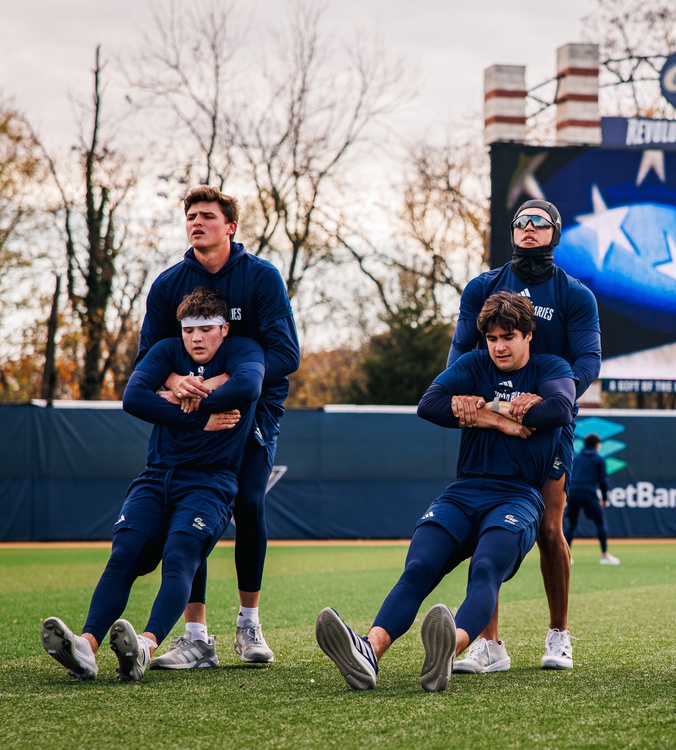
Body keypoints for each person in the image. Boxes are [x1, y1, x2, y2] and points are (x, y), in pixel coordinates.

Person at [314, 292, 576, 691]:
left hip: (517, 498)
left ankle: (448, 647)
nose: (499, 347)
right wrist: (500, 417)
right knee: (419, 567)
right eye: (491, 338)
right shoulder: (473, 363)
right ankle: (369, 650)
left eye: (508, 337)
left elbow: (560, 408)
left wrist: (485, 407)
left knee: (485, 569)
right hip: (463, 492)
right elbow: (429, 404)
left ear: (528, 336)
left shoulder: (550, 367)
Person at [41, 288, 264, 682]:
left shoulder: (244, 350)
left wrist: (181, 393)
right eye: (189, 329)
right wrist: (199, 414)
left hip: (210, 483)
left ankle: (143, 646)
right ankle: (86, 647)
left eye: (207, 329)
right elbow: (134, 399)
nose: (196, 338)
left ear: (224, 329)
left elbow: (247, 388)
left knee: (180, 556)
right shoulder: (164, 351)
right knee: (125, 554)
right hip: (156, 476)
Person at [136, 186, 299, 668]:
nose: (196, 222)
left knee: (248, 501)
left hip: (252, 412)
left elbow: (287, 355)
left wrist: (234, 378)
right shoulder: (169, 284)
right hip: (188, 413)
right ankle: (195, 636)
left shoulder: (261, 277)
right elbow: (147, 357)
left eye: (207, 215)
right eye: (191, 216)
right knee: (191, 507)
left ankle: (249, 624)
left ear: (230, 226)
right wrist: (176, 381)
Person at [447, 199, 601, 671]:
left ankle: (558, 635)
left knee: (550, 531)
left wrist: (552, 401)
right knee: (484, 530)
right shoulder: (483, 286)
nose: (529, 228)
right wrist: (464, 399)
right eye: (521, 222)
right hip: (490, 422)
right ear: (511, 232)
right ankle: (490, 644)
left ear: (554, 232)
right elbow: (459, 353)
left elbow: (588, 361)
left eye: (539, 222)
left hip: (546, 425)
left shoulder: (575, 294)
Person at [563, 433, 619, 566]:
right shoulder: (599, 459)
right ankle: (605, 555)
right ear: (597, 445)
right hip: (588, 493)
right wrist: (604, 498)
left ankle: (566, 556)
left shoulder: (575, 458)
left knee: (571, 524)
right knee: (600, 522)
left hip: (573, 493)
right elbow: (603, 481)